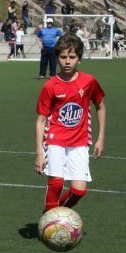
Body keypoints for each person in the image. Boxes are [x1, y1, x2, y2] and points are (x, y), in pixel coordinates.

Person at [34, 34, 106, 213]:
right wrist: (39, 153)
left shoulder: (89, 81)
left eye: (72, 57)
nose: (67, 61)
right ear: (57, 58)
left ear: (79, 59)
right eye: (63, 57)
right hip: (55, 140)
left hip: (80, 142)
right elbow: (41, 120)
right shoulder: (50, 85)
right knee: (56, 184)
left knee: (79, 190)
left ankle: (57, 215)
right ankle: (50, 219)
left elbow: (100, 107)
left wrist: (100, 138)